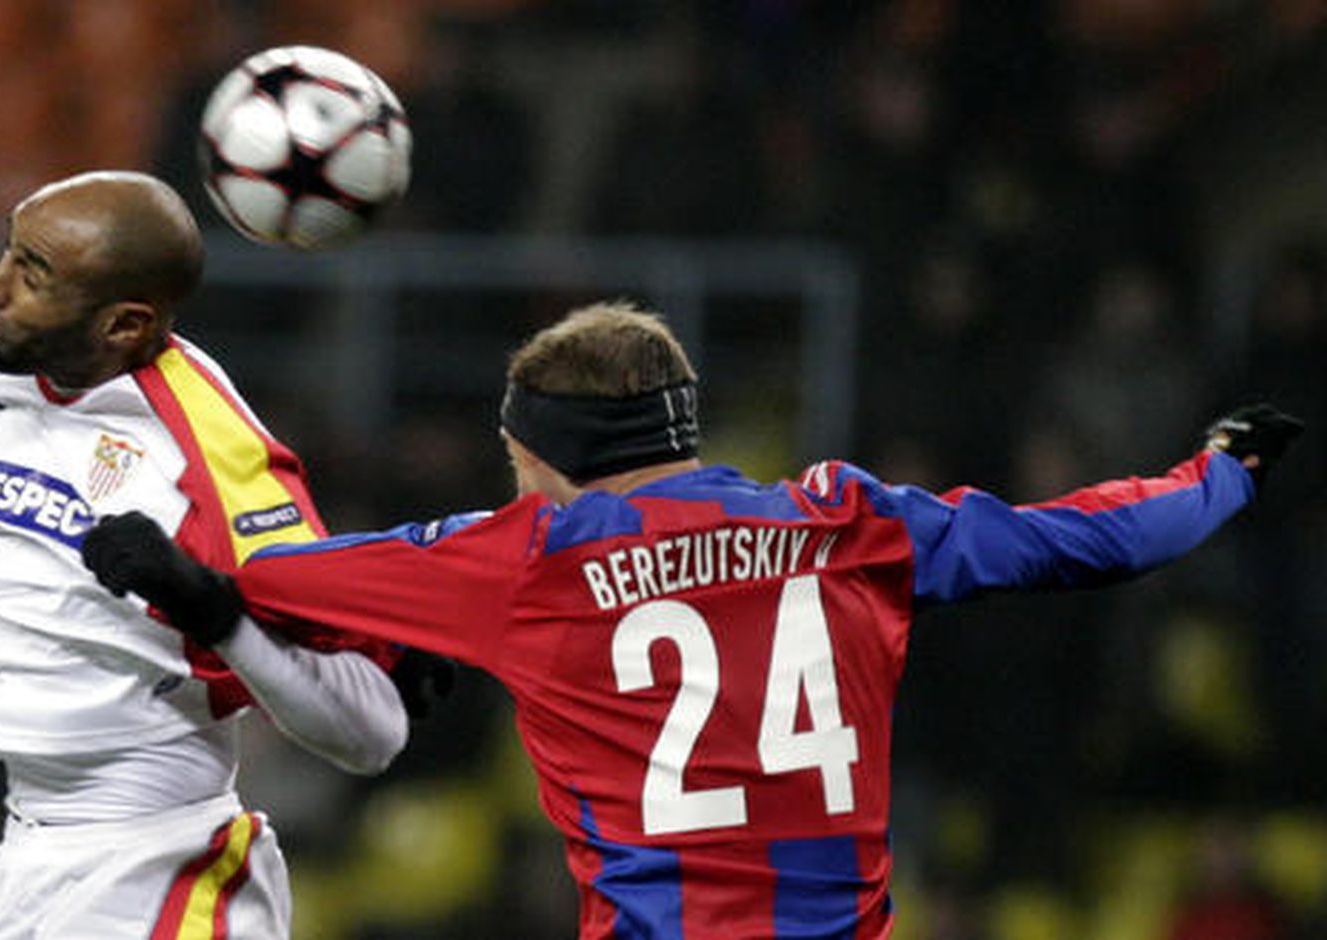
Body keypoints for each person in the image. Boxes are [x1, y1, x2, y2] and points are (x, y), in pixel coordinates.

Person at [83, 301, 1303, 939]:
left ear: (547, 457)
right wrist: (1224, 472)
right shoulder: (846, 523)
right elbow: (1084, 541)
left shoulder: (526, 559)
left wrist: (176, 569)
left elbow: (275, 572)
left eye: (516, 461)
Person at [0, 170, 420, 940]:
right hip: (21, 870)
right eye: (7, 254)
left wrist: (216, 612)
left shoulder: (219, 462)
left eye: (33, 275)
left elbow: (371, 728)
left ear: (123, 325)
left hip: (166, 871)